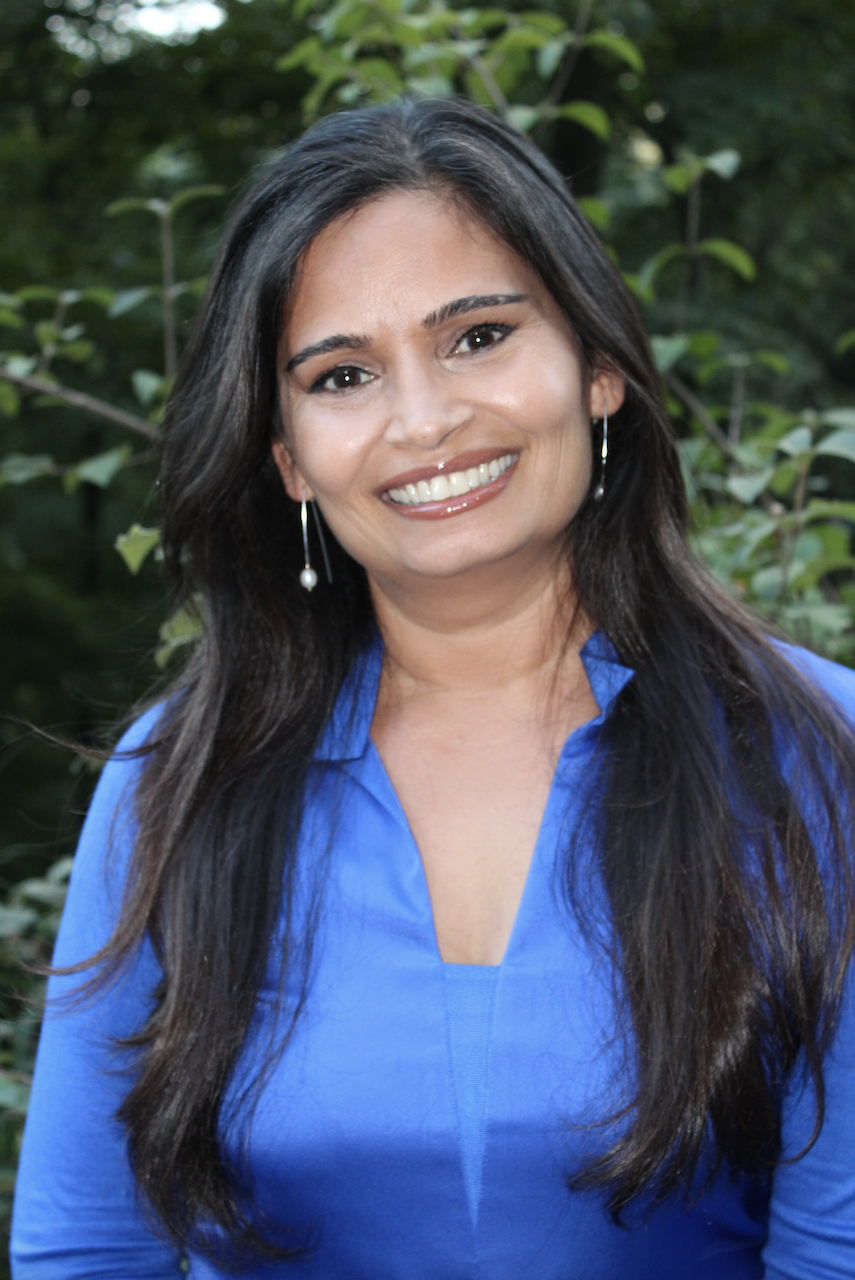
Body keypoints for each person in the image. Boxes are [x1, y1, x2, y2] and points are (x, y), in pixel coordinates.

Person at [10, 96, 855, 1279]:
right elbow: (87, 1250)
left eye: (478, 337)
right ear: (288, 454)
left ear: (597, 364)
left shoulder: (817, 749)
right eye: (344, 374)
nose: (425, 421)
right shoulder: (179, 784)